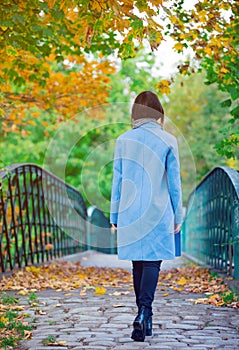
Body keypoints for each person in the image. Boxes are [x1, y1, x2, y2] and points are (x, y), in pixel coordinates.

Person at [110, 91, 183, 342]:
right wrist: (178, 214)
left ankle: (144, 317)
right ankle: (144, 312)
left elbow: (117, 181)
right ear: (159, 113)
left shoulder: (123, 140)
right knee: (152, 261)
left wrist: (114, 213)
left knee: (138, 262)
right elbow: (174, 183)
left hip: (129, 210)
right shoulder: (168, 140)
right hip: (158, 210)